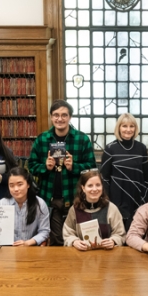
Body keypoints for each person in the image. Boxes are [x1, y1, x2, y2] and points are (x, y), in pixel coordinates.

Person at [28, 100, 96, 246]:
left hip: (76, 198)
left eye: (64, 115)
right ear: (51, 117)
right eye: (56, 115)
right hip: (50, 199)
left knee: (78, 237)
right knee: (57, 240)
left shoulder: (82, 139)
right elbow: (31, 166)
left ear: (70, 117)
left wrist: (74, 167)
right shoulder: (42, 139)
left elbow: (92, 168)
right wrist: (45, 167)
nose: (60, 119)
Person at [99, 113, 148, 230]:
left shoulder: (141, 148)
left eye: (131, 126)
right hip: (116, 199)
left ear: (135, 128)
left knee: (136, 234)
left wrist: (144, 199)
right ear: (119, 128)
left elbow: (146, 177)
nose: (128, 129)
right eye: (124, 126)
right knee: (118, 235)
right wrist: (108, 201)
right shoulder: (110, 148)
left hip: (137, 199)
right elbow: (104, 178)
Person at [0, 167, 50, 246]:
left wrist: (28, 243)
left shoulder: (40, 204)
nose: (16, 189)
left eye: (20, 184)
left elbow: (44, 231)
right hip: (5, 250)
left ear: (28, 184)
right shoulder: (2, 204)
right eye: (11, 185)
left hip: (30, 249)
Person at [63, 170, 126, 250]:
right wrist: (74, 241)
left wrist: (113, 241)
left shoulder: (111, 208)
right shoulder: (74, 209)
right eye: (90, 186)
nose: (95, 189)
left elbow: (120, 234)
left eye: (98, 185)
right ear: (83, 188)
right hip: (81, 256)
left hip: (107, 255)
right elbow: (68, 233)